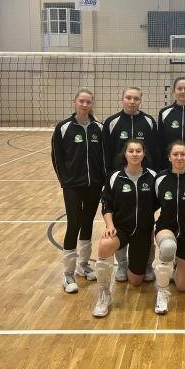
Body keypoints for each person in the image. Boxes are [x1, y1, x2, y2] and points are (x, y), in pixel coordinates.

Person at [92, 139, 158, 317]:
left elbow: (159, 202)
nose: (135, 154)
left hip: (142, 231)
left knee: (135, 281)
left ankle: (138, 265)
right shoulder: (115, 177)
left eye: (138, 151)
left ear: (144, 154)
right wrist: (110, 225)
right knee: (105, 244)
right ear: (125, 154)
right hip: (120, 229)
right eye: (131, 151)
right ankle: (104, 294)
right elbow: (106, 204)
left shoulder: (152, 176)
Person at [51, 88, 106, 293]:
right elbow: (56, 156)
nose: (84, 105)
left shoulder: (99, 128)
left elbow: (104, 156)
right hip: (72, 185)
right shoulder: (64, 127)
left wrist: (103, 180)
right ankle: (67, 274)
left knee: (87, 222)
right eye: (81, 101)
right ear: (74, 102)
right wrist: (64, 180)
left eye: (88, 102)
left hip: (94, 184)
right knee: (73, 224)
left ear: (92, 104)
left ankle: (83, 265)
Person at [103, 86, 159, 282]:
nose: (132, 101)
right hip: (120, 181)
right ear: (122, 99)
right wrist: (110, 178)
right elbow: (106, 152)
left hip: (144, 179)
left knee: (146, 222)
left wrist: (152, 176)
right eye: (128, 97)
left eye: (136, 98)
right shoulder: (112, 122)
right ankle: (121, 264)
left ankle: (148, 264)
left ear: (140, 100)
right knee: (120, 222)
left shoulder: (149, 121)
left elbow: (155, 150)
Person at [153, 141, 185, 314]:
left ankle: (176, 265)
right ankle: (162, 292)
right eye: (175, 154)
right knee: (168, 247)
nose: (179, 157)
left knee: (182, 286)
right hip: (166, 227)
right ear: (169, 157)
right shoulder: (160, 178)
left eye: (183, 154)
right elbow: (150, 206)